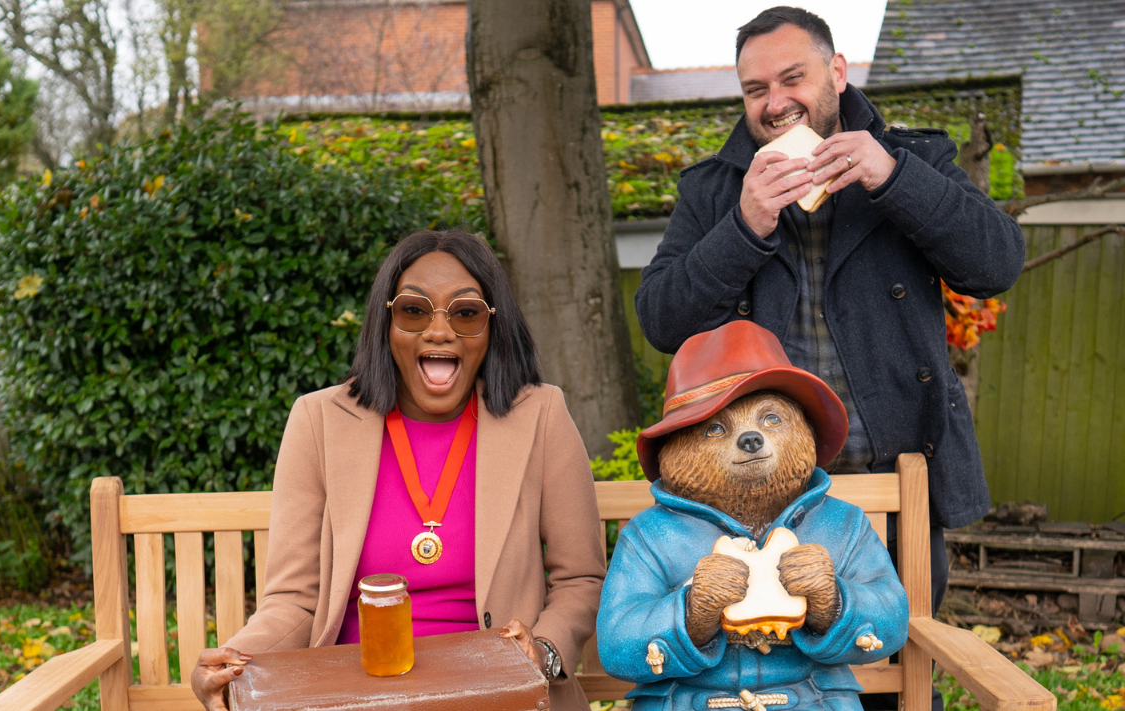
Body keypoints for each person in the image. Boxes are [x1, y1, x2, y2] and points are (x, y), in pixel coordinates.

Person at [631, 7, 1025, 709]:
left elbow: (997, 263)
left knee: (891, 673)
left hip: (896, 488)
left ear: (837, 74)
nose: (775, 101)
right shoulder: (716, 189)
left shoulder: (913, 158)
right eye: (755, 89)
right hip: (752, 497)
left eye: (793, 77)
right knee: (771, 684)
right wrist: (744, 227)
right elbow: (660, 317)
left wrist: (893, 176)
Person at [189, 230, 608, 710]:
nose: (439, 331)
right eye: (414, 310)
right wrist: (237, 662)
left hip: (495, 693)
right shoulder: (320, 421)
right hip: (353, 695)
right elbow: (295, 600)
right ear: (385, 323)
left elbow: (579, 578)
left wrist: (545, 651)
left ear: (493, 327)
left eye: (466, 313)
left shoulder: (540, 415)